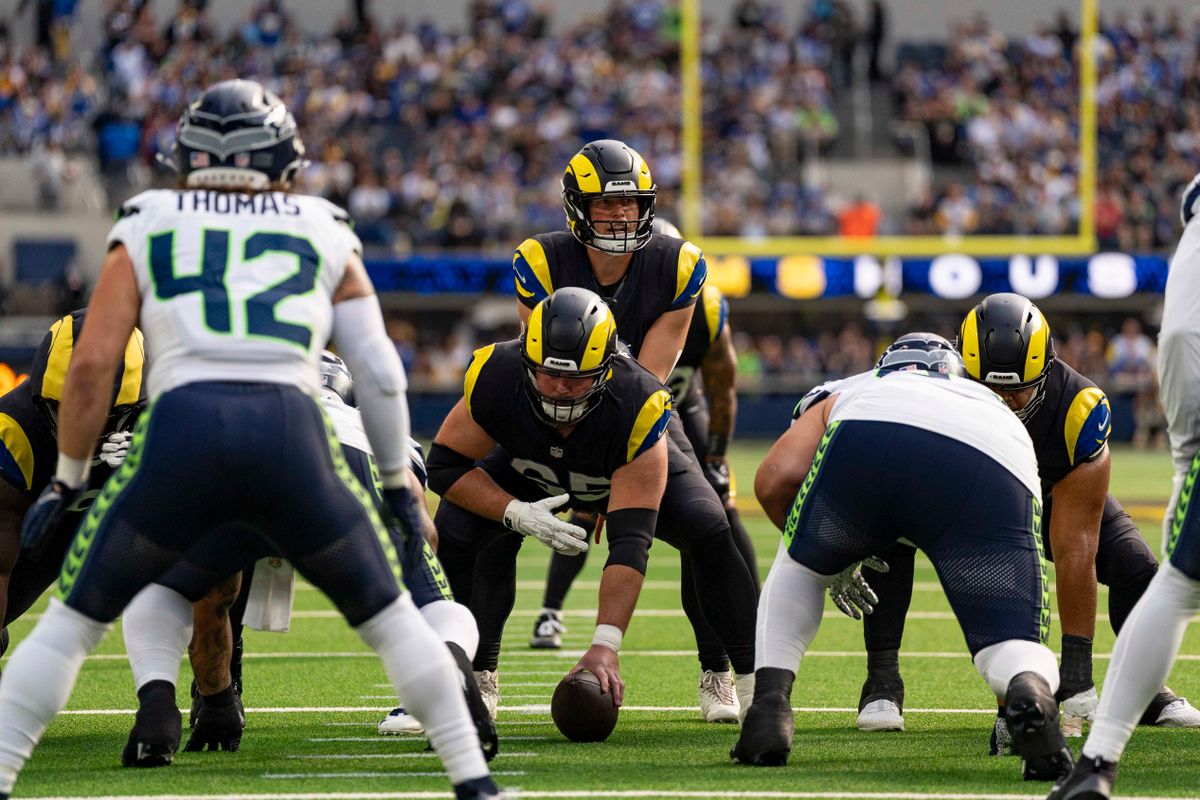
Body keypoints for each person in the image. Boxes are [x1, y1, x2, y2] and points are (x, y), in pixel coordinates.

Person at [0, 79, 502, 800]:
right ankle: (473, 780)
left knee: (72, 623)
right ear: (283, 162)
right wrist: (396, 482)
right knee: (394, 617)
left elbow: (91, 366)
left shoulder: (146, 218)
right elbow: (380, 372)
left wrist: (68, 477)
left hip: (182, 434)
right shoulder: (320, 222)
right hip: (294, 432)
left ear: (187, 157)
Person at [846, 294, 1197, 743]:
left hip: (1053, 494)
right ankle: (882, 680)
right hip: (954, 493)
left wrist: (1076, 673)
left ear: (1045, 371)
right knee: (890, 536)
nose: (1006, 402)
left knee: (1136, 567)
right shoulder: (936, 392)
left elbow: (1076, 549)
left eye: (1018, 390)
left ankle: (1146, 689)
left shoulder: (1077, 409)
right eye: (993, 390)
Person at [119, 352, 498, 759]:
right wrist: (418, 580)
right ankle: (451, 660)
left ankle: (158, 707)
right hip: (356, 455)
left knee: (177, 590)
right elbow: (420, 521)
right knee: (433, 604)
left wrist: (217, 698)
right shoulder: (372, 425)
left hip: (249, 453)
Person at [734, 333, 1073, 783]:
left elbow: (774, 479)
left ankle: (770, 707)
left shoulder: (849, 389)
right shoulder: (988, 401)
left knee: (798, 566)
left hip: (868, 434)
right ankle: (1028, 684)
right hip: (990, 449)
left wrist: (821, 552)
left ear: (885, 365)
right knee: (1013, 638)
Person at [429, 287, 758, 717]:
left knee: (708, 525)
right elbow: (445, 466)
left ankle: (751, 684)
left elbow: (630, 543)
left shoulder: (637, 399)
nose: (561, 389)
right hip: (529, 465)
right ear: (527, 361)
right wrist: (514, 512)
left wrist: (606, 645)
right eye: (549, 374)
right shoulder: (495, 373)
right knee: (457, 523)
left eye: (578, 378)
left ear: (606, 369)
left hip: (618, 462)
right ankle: (468, 673)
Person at [1046, 177, 1200, 800]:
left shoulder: (1074, 399)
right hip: (1007, 500)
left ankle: (1102, 755)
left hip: (1087, 482)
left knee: (1163, 578)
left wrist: (1187, 452)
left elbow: (1184, 337)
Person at [0, 310, 145, 657]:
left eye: (104, 412)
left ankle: (221, 683)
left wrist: (152, 466)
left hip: (133, 523)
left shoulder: (169, 412)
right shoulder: (14, 430)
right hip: (47, 530)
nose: (85, 423)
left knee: (211, 559)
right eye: (65, 409)